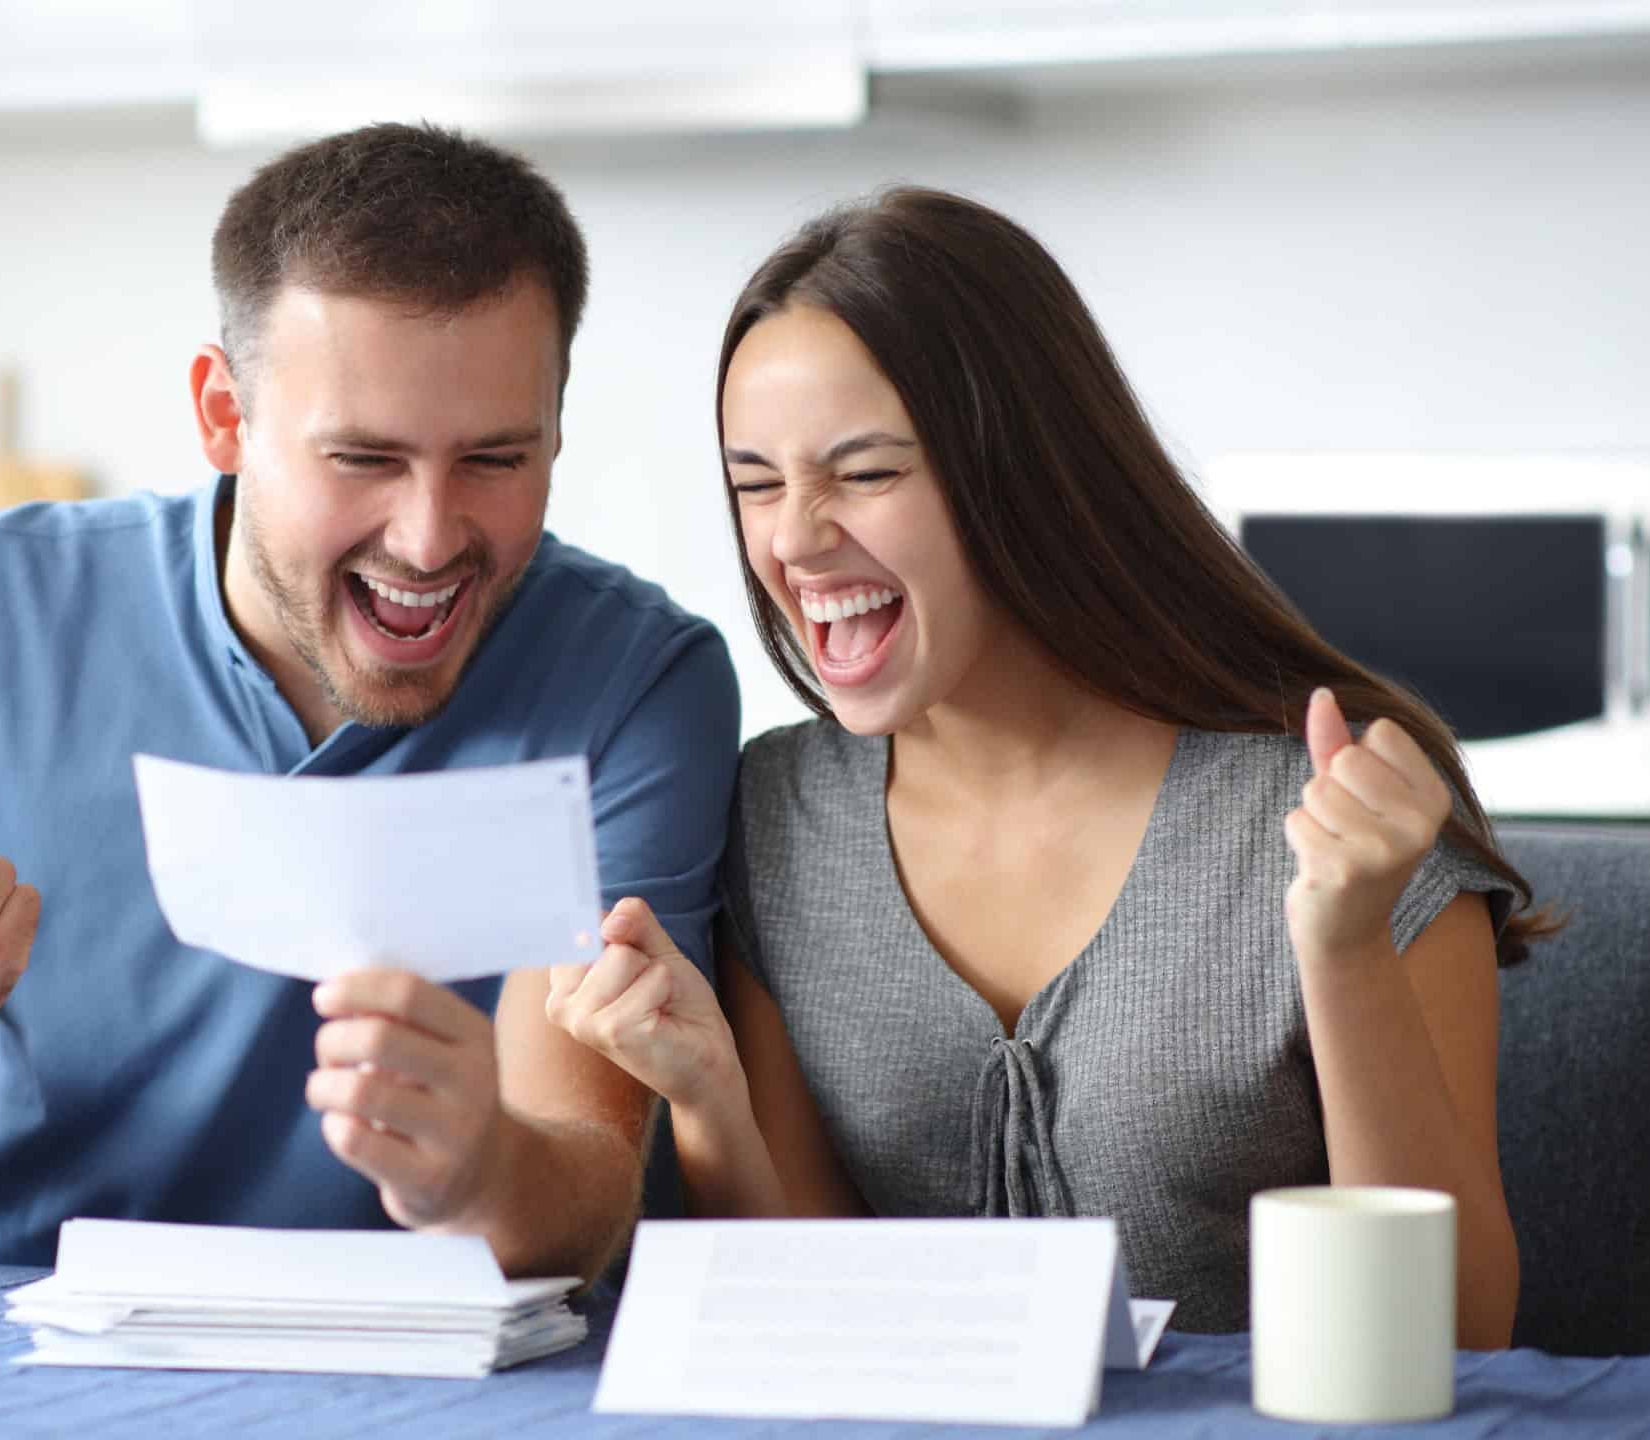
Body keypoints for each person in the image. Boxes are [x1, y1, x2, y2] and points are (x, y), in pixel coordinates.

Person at [0, 123, 740, 1278]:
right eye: (362, 459)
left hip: (450, 1370)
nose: (427, 537)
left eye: (496, 461)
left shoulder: (630, 682)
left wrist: (477, 1168)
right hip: (44, 1357)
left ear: (557, 425)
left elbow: (586, 1189)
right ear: (224, 415)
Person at [545, 187, 1545, 1346]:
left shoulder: (1326, 808)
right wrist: (706, 1094)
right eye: (756, 483)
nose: (793, 537)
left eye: (865, 474)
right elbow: (803, 1328)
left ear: (1022, 472)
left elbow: (1458, 1337)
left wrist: (1344, 949)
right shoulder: (778, 815)